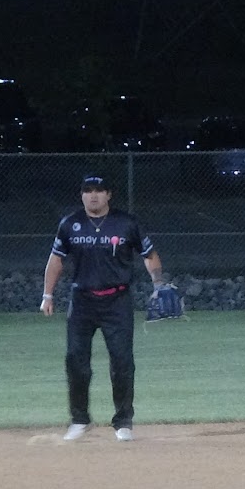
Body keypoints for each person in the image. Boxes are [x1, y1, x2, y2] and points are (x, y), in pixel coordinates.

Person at [41, 174, 170, 441]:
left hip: (117, 301)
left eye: (99, 190)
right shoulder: (70, 224)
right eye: (88, 190)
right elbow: (56, 259)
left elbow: (149, 255)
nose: (93, 195)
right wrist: (47, 295)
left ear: (108, 194)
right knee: (75, 360)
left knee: (122, 362)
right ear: (81, 195)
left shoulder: (126, 223)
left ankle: (123, 422)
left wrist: (158, 283)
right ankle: (80, 420)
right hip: (82, 301)